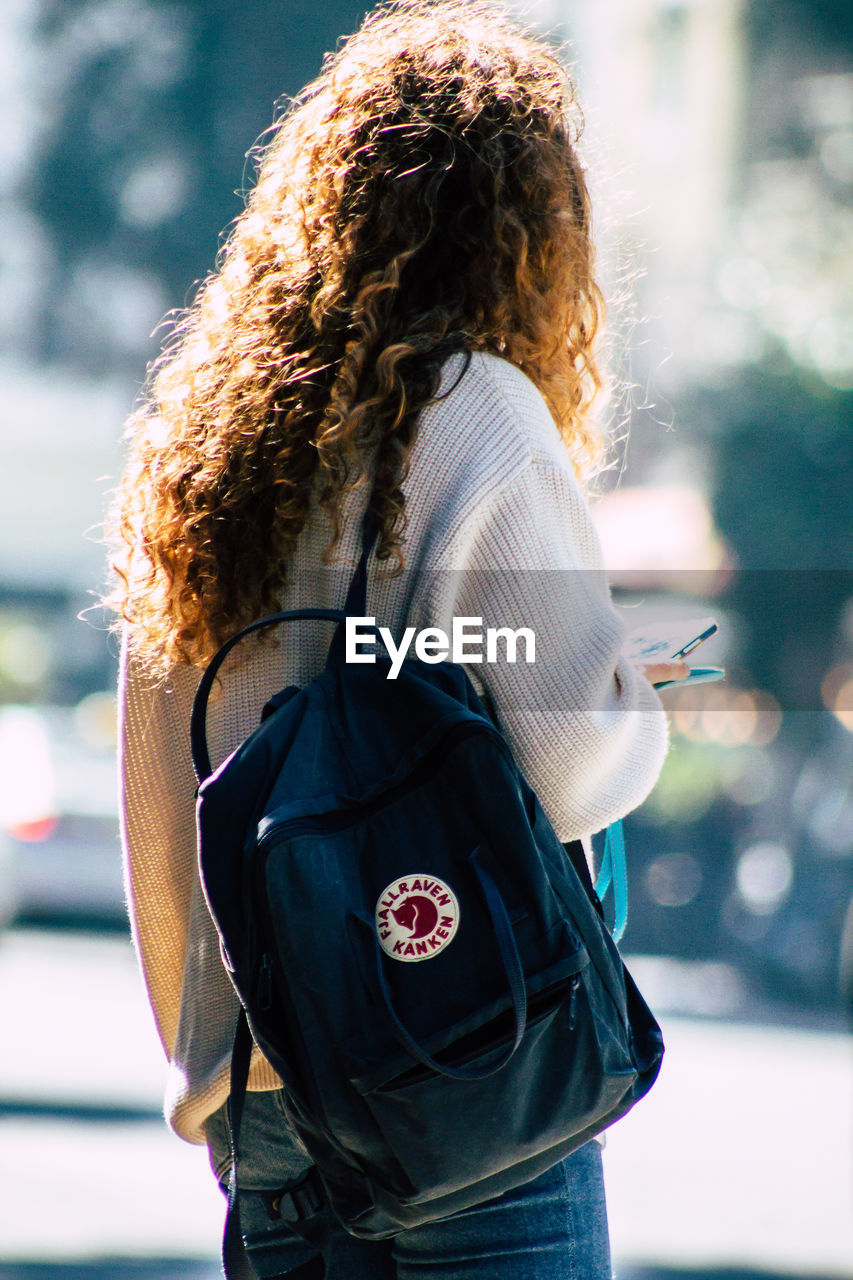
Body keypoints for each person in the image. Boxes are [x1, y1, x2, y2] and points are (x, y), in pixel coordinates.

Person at [109, 2, 687, 1276]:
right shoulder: (475, 410)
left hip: (270, 1100)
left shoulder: (207, 454)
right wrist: (628, 687)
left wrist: (215, 1066)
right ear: (526, 235)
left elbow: (164, 800)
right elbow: (573, 759)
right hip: (460, 1077)